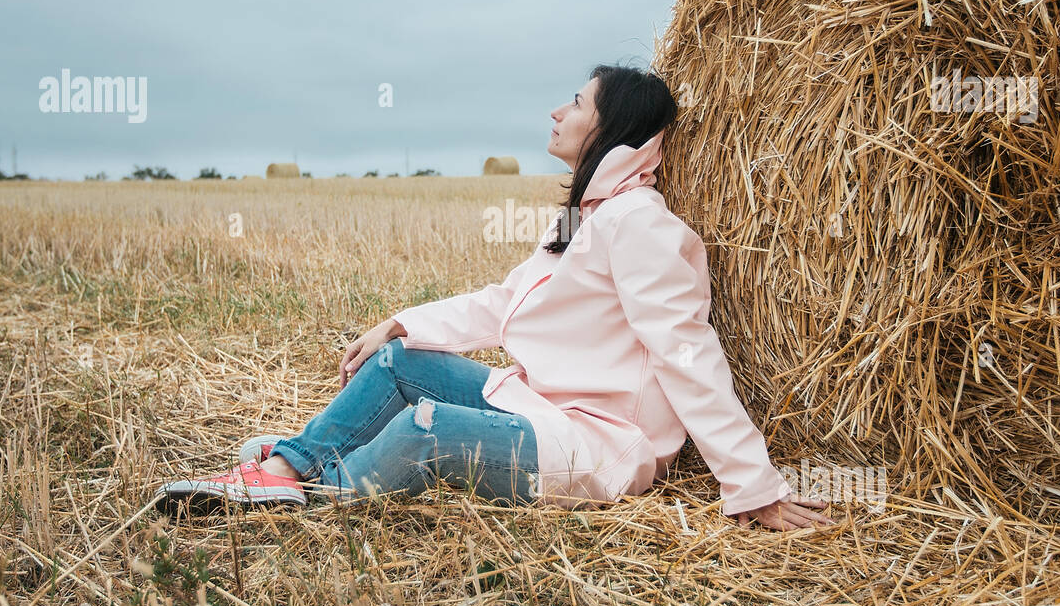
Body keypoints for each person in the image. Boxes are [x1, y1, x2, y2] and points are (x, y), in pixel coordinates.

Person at [155, 64, 835, 532]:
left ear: (610, 128)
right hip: (537, 408)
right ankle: (289, 465)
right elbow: (503, 302)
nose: (556, 111)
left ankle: (304, 489)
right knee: (399, 362)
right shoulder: (583, 219)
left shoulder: (641, 225)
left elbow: (687, 352)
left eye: (575, 102)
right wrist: (398, 323)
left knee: (427, 432)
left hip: (595, 445)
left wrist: (752, 484)